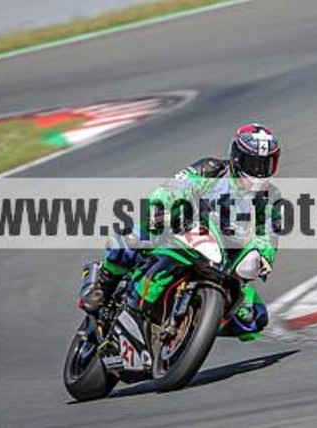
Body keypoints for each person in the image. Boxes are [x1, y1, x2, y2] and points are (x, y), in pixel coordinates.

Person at [79, 123, 282, 342]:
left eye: (266, 164)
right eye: (253, 163)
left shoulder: (270, 197)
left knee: (255, 318)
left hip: (227, 262)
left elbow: (269, 234)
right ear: (236, 157)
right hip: (184, 231)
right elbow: (176, 187)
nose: (259, 171)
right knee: (133, 236)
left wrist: (263, 257)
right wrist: (161, 206)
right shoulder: (212, 170)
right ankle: (102, 283)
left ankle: (196, 323)